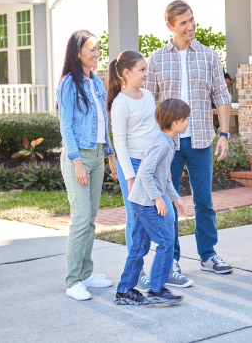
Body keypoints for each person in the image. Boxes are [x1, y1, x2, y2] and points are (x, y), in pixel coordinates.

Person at [146, 0, 233, 285]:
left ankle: (208, 255)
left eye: (192, 20)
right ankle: (170, 260)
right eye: (183, 22)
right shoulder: (157, 59)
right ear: (170, 26)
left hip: (200, 140)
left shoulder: (209, 56)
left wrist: (224, 133)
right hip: (167, 144)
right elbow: (147, 102)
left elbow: (221, 95)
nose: (190, 26)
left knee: (204, 201)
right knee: (168, 204)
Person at [108, 50, 186, 292]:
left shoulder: (149, 96)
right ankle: (138, 272)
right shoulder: (120, 103)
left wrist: (165, 168)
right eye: (141, 70)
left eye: (145, 69)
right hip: (132, 165)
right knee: (136, 219)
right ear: (126, 73)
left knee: (167, 214)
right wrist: (130, 176)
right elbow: (119, 142)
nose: (146, 74)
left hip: (153, 162)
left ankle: (165, 268)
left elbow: (155, 132)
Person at [57, 30, 118, 301]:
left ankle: (86, 273)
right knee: (81, 219)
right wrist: (77, 162)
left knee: (91, 219)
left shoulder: (96, 83)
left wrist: (111, 156)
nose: (96, 53)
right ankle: (73, 281)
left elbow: (104, 123)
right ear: (78, 52)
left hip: (97, 156)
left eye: (97, 48)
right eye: (91, 49)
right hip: (77, 157)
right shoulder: (69, 84)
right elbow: (66, 127)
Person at [114, 98, 190, 306]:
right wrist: (158, 198)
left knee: (139, 247)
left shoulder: (167, 141)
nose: (188, 123)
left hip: (140, 199)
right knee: (166, 241)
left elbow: (163, 177)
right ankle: (157, 289)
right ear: (175, 123)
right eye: (186, 120)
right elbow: (145, 173)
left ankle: (124, 291)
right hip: (145, 202)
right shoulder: (163, 144)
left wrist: (175, 199)